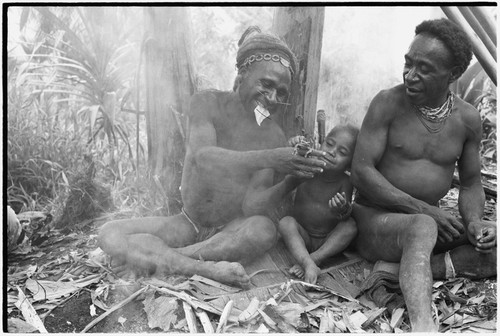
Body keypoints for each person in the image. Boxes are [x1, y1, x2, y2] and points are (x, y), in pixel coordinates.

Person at [98, 27, 328, 288]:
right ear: (242, 74)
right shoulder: (206, 103)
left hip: (230, 231)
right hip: (188, 222)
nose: (272, 98)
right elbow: (203, 158)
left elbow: (252, 205)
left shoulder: (271, 133)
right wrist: (272, 158)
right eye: (266, 84)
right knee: (109, 233)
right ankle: (205, 268)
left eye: (282, 92)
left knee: (263, 230)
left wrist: (292, 181)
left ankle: (162, 258)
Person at [350, 18, 496, 332]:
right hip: (375, 222)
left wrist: (474, 222)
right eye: (408, 63)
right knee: (423, 225)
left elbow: (471, 183)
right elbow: (361, 172)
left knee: (492, 244)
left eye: (424, 69)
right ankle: (423, 326)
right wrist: (422, 209)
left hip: (428, 225)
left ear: (453, 74)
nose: (410, 75)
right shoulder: (387, 103)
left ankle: (395, 270)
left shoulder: (468, 120)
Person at [278, 125, 359, 285]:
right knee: (286, 223)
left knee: (350, 226)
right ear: (320, 143)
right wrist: (294, 146)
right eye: (329, 144)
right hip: (303, 236)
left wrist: (341, 209)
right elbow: (288, 166)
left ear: (350, 164)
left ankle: (313, 260)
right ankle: (309, 264)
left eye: (342, 152)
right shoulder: (307, 167)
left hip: (328, 241)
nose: (332, 152)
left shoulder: (345, 181)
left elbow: (345, 213)